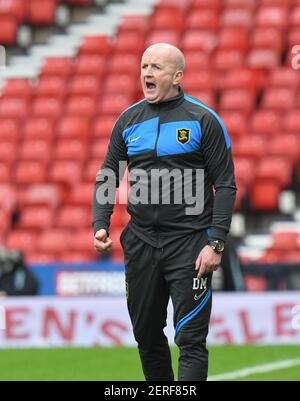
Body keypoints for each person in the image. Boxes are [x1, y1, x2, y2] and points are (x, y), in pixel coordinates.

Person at [92, 43, 237, 381]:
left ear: (177, 76)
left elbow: (226, 186)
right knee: (146, 336)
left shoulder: (203, 120)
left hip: (190, 244)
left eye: (156, 67)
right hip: (141, 242)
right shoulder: (128, 121)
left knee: (190, 339)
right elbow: (108, 175)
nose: (147, 73)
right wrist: (101, 223)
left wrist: (215, 243)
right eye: (144, 66)